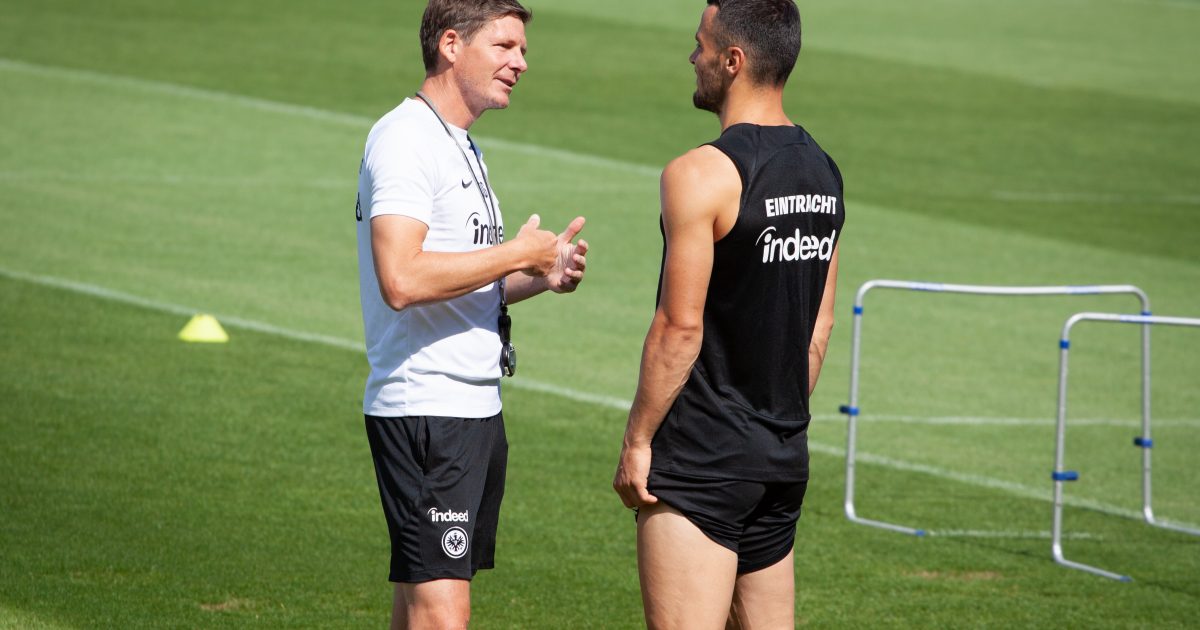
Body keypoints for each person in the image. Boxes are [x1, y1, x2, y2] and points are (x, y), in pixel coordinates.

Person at [353, 1, 588, 627]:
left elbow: (461, 280)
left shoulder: (461, 145)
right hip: (427, 409)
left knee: (423, 598)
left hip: (472, 406)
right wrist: (515, 253)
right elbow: (401, 278)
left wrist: (539, 275)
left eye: (523, 50)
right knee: (442, 608)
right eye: (505, 46)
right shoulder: (406, 139)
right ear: (451, 45)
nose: (521, 62)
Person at [612, 1, 843, 627]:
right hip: (782, 455)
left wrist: (638, 440)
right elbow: (818, 328)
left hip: (701, 460)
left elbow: (678, 328)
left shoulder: (699, 174)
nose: (693, 57)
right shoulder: (823, 171)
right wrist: (770, 423)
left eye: (701, 45)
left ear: (733, 60)